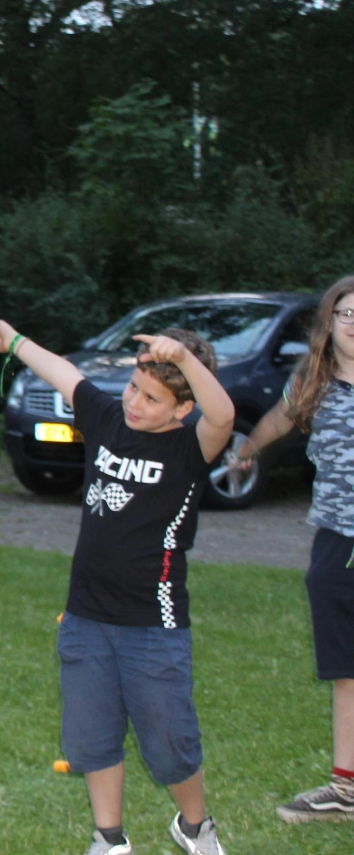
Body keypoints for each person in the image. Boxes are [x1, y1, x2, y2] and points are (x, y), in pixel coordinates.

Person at [0, 320, 234, 855]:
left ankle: (194, 826)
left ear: (181, 409)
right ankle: (110, 838)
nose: (135, 403)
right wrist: (16, 341)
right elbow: (67, 375)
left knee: (169, 743)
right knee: (93, 736)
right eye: (133, 388)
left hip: (153, 624)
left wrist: (186, 362)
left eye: (152, 397)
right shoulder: (106, 419)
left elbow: (225, 414)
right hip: (86, 618)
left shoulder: (191, 449)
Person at [228, 276, 354, 824]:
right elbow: (283, 415)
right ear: (330, 322)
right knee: (346, 667)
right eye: (348, 313)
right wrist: (250, 447)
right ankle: (345, 789)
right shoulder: (315, 380)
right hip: (335, 539)